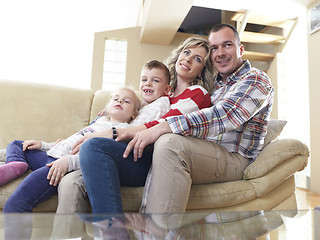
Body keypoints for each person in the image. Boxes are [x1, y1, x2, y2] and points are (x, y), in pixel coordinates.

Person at [118, 23, 274, 225]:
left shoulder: (255, 79)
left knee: (170, 143)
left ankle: (157, 232)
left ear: (240, 49)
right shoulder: (215, 87)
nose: (220, 53)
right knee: (166, 142)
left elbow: (224, 115)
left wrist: (165, 126)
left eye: (227, 45)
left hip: (235, 158)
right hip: (205, 151)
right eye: (215, 48)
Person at [72, 36, 214, 223]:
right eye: (186, 52)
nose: (188, 59)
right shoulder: (161, 93)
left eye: (197, 59)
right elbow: (132, 116)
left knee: (94, 147)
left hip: (153, 160)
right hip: (134, 152)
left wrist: (112, 133)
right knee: (76, 172)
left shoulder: (198, 94)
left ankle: (112, 229)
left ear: (202, 70)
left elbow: (163, 123)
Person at [2, 87, 143, 213]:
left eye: (127, 101)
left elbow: (98, 158)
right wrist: (43, 145)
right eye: (116, 99)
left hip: (59, 167)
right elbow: (68, 143)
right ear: (107, 107)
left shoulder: (124, 131)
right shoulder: (99, 122)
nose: (119, 102)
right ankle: (16, 164)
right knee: (17, 144)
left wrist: (68, 163)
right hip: (51, 155)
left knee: (15, 205)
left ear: (134, 114)